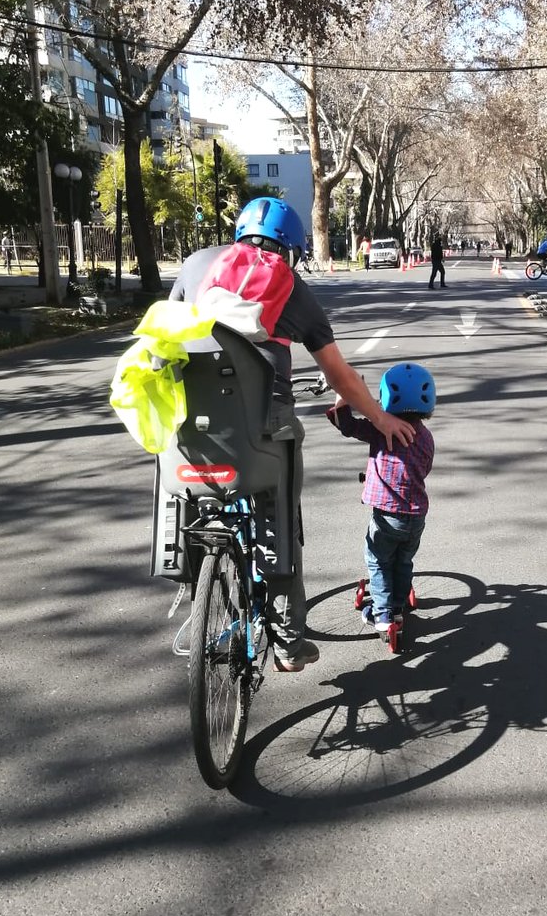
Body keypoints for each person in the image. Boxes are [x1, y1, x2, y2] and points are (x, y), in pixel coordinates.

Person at [169, 196, 415, 672]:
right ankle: (286, 640)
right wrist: (381, 420)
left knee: (189, 495)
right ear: (292, 248)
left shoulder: (196, 264)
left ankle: (190, 578)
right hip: (263, 432)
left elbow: (167, 334)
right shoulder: (291, 286)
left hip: (188, 430)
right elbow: (340, 375)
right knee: (279, 520)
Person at [326, 362, 435, 644]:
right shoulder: (425, 437)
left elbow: (346, 425)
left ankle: (383, 614)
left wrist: (342, 399)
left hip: (386, 516)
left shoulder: (380, 430)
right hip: (416, 516)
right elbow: (425, 468)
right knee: (403, 560)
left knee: (378, 561)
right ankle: (398, 606)